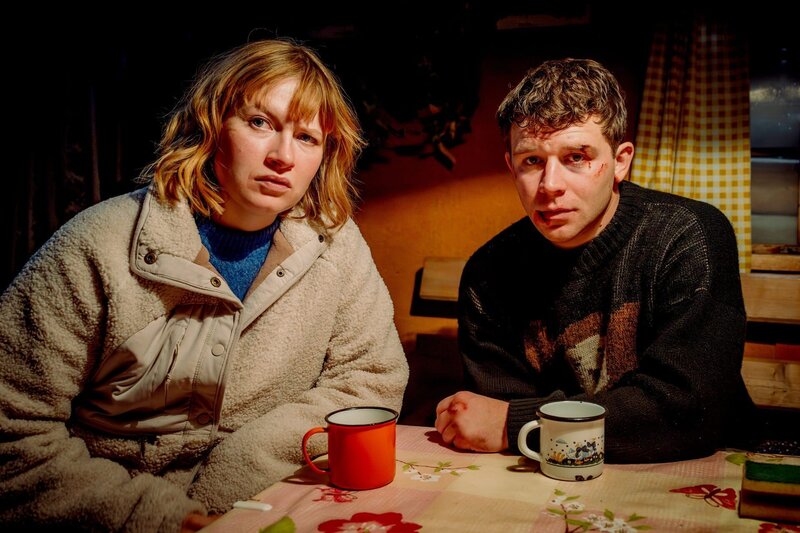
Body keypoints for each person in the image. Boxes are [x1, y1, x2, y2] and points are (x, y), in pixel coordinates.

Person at [0, 39, 408, 532]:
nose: (283, 156)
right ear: (211, 125)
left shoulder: (336, 244)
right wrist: (165, 518)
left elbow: (370, 378)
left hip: (261, 504)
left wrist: (243, 472)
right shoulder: (97, 243)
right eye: (260, 123)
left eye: (307, 137)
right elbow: (13, 434)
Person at [435, 58, 756, 462]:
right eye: (532, 160)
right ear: (511, 167)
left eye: (576, 157)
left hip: (705, 468)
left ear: (620, 161)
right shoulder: (489, 273)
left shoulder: (687, 235)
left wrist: (518, 424)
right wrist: (513, 424)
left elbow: (688, 410)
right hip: (548, 475)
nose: (550, 185)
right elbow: (495, 415)